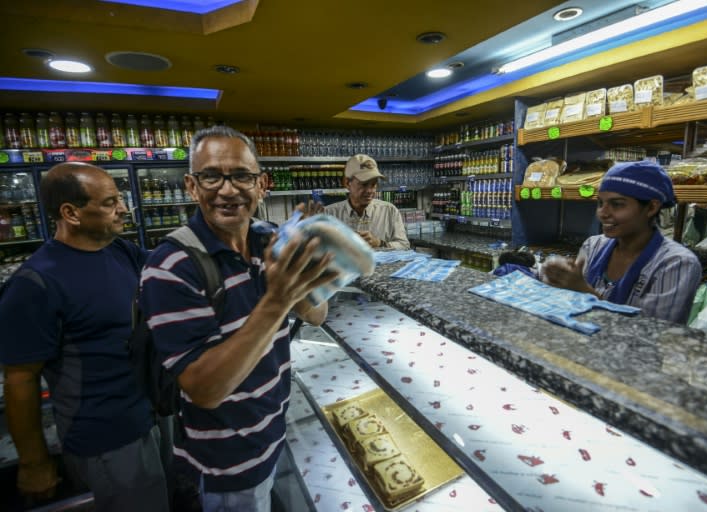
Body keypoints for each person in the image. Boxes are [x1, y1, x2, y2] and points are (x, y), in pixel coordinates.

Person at [138, 126, 336, 512]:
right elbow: (204, 388)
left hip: (273, 431)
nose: (228, 190)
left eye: (242, 176)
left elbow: (317, 316)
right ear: (192, 187)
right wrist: (277, 301)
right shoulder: (169, 267)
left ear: (262, 184)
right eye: (212, 175)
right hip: (225, 464)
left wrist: (307, 271)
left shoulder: (270, 238)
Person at [0, 162, 168, 511]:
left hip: (148, 415)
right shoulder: (35, 285)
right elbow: (20, 379)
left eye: (120, 199)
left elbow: (167, 266)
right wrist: (35, 463)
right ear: (70, 213)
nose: (123, 209)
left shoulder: (117, 250)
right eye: (110, 203)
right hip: (106, 439)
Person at [540, 161, 702, 324]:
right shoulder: (593, 246)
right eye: (600, 203)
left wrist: (583, 291)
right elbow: (572, 308)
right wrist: (559, 280)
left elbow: (653, 334)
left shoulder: (676, 263)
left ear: (652, 208)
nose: (603, 213)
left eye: (617, 204)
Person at [322, 153, 410, 250]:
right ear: (347, 183)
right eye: (363, 184)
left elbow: (404, 246)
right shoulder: (328, 215)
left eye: (373, 185)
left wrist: (380, 243)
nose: (369, 191)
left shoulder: (389, 211)